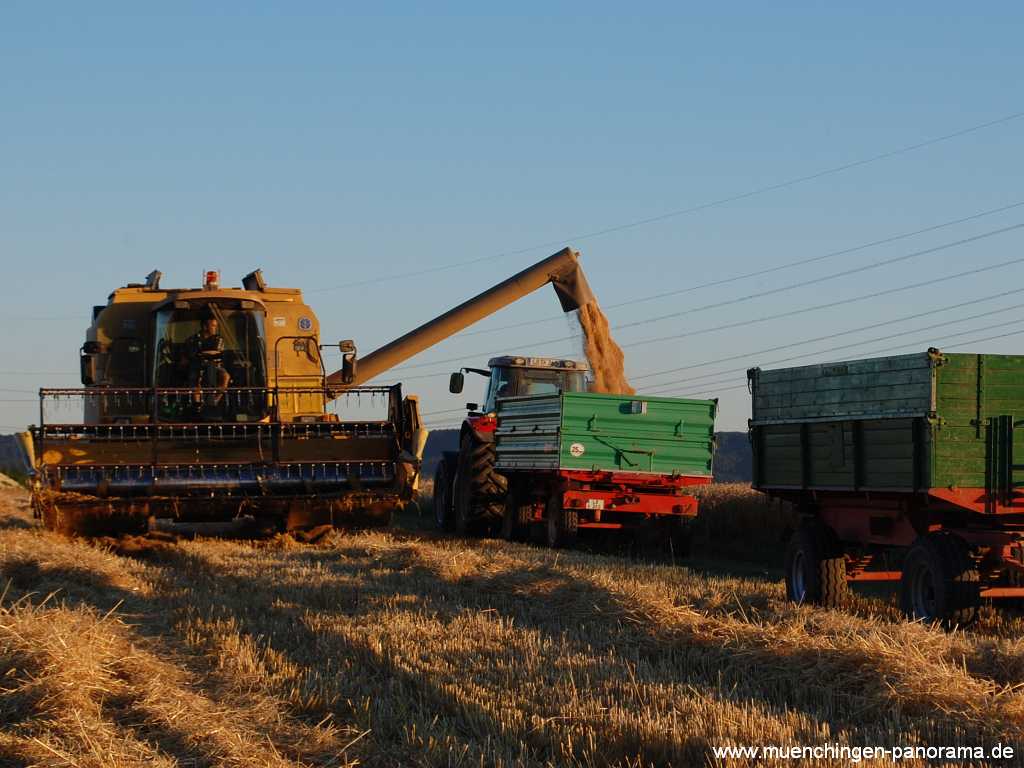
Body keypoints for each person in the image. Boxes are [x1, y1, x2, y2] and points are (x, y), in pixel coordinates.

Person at [188, 316, 230, 404]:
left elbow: (216, 352)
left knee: (225, 376)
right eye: (213, 326)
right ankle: (197, 403)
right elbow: (192, 354)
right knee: (195, 378)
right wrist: (202, 355)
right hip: (198, 365)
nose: (215, 328)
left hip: (216, 366)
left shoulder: (218, 338)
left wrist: (202, 353)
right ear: (205, 326)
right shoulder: (193, 339)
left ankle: (215, 400)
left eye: (216, 326)